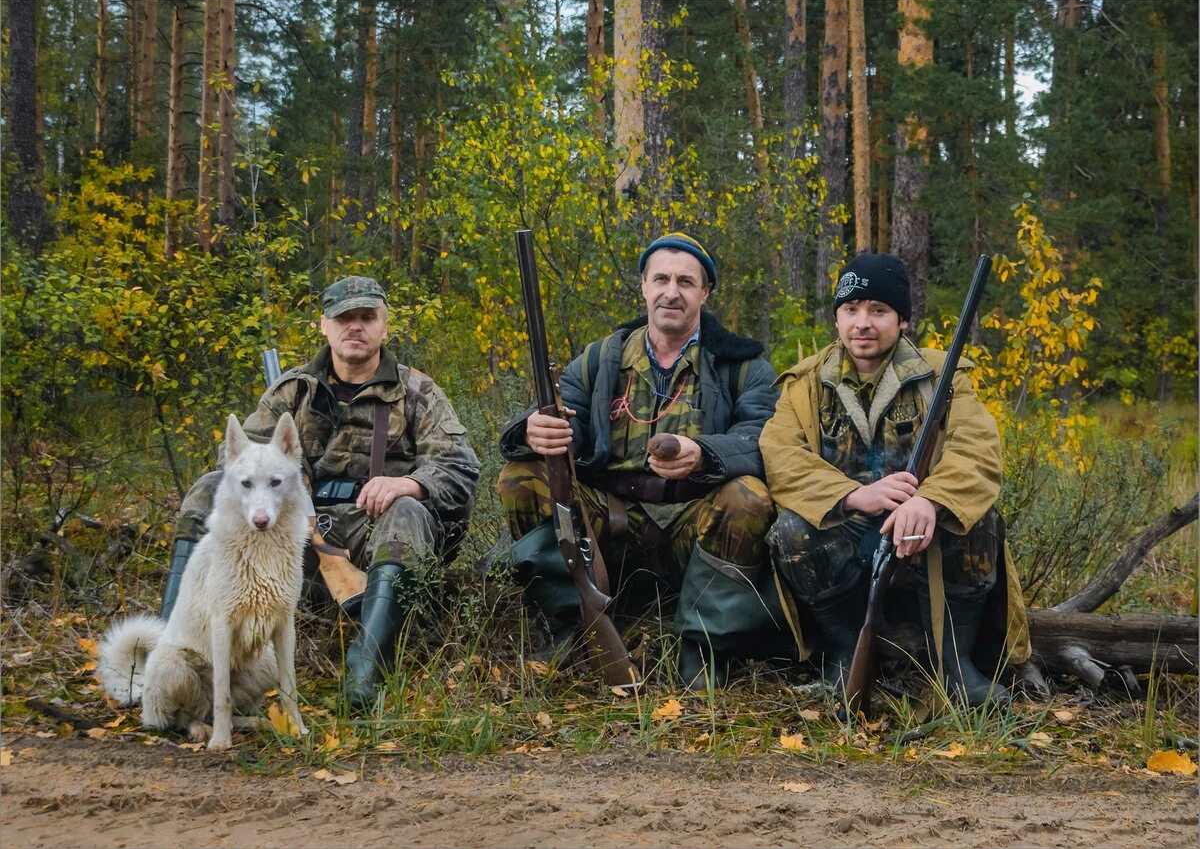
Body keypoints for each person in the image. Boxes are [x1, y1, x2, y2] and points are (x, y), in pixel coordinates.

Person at [162, 276, 481, 708]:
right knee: (206, 491)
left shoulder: (417, 392)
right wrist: (284, 485)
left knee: (406, 510)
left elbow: (460, 466)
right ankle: (169, 655)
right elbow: (235, 463)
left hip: (376, 536)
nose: (356, 327)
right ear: (323, 326)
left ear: (385, 326)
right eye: (344, 318)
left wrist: (406, 484)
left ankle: (365, 679)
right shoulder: (292, 390)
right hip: (290, 539)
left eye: (367, 317)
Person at [497, 232, 785, 689]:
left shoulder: (743, 365)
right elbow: (559, 412)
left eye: (686, 282)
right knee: (520, 478)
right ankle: (570, 625)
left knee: (748, 496)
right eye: (662, 279)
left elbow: (764, 439)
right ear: (644, 287)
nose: (672, 291)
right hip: (610, 524)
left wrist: (705, 454)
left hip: (694, 524)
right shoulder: (599, 359)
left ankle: (705, 647)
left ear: (705, 292)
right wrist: (533, 429)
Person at [760, 253, 1029, 706]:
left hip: (925, 542)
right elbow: (781, 456)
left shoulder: (943, 374)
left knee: (979, 518)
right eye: (851, 309)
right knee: (790, 531)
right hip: (848, 544)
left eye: (878, 310)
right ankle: (846, 652)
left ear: (902, 320)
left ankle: (955, 662)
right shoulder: (804, 383)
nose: (862, 323)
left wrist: (932, 500)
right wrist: (852, 495)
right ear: (837, 317)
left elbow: (978, 451)